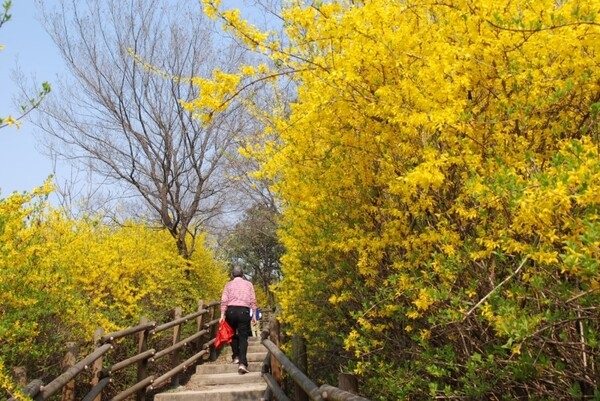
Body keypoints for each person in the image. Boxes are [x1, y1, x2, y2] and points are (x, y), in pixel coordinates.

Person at [220, 265, 257, 374]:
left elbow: (224, 300)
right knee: (243, 337)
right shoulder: (249, 284)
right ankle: (242, 363)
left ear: (232, 274)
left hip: (231, 311)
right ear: (242, 274)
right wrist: (254, 314)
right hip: (243, 311)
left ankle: (236, 356)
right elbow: (253, 300)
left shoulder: (228, 285)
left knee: (231, 334)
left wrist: (222, 314)